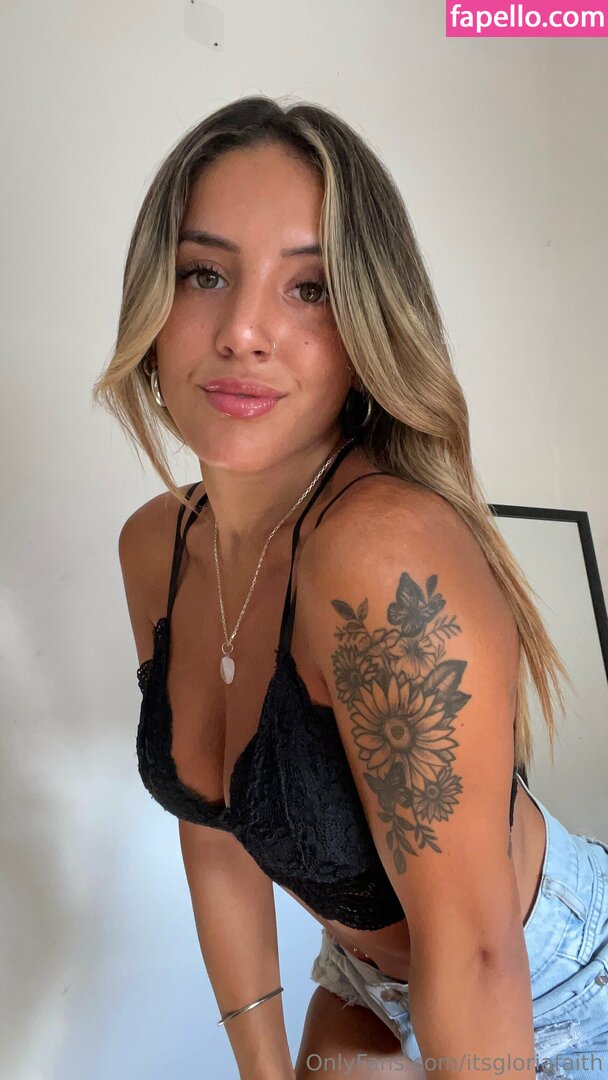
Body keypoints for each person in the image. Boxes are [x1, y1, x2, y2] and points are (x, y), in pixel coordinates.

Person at [92, 96, 608, 1079]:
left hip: (550, 984)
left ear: (367, 330)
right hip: (371, 981)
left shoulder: (379, 554)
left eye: (310, 289)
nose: (243, 331)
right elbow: (216, 833)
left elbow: (476, 950)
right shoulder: (157, 547)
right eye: (206, 273)